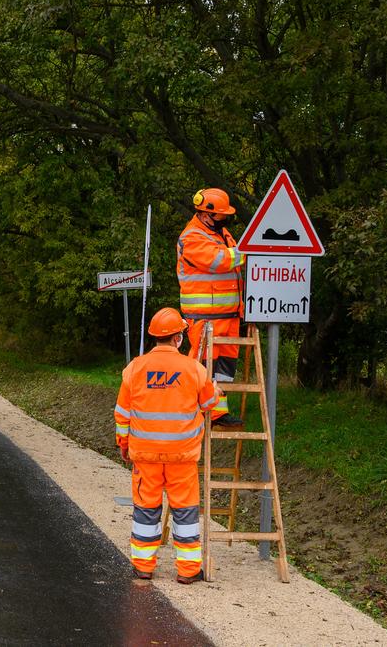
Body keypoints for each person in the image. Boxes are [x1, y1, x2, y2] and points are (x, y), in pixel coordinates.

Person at [114, 307, 220, 584]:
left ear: (154, 338)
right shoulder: (193, 369)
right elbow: (211, 406)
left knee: (146, 509)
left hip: (145, 455)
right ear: (178, 338)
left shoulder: (135, 368)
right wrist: (216, 389)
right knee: (185, 510)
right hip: (182, 455)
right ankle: (187, 571)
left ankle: (143, 568)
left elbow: (122, 414)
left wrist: (123, 444)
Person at [176, 187, 246, 426]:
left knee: (223, 370)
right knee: (203, 368)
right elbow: (220, 261)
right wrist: (250, 250)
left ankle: (217, 413)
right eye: (221, 215)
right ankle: (192, 412)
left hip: (229, 315)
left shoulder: (222, 233)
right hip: (205, 317)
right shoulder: (192, 237)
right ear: (206, 214)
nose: (225, 219)